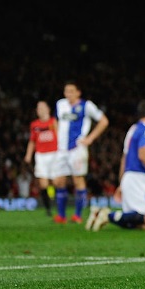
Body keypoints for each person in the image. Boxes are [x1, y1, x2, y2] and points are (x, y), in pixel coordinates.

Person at [86, 100, 145, 232]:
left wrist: (122, 183)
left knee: (139, 225)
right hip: (139, 177)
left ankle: (100, 214)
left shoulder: (133, 129)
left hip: (128, 176)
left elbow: (124, 158)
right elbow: (143, 155)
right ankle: (107, 215)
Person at [52, 81, 109, 224]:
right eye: (66, 91)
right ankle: (61, 215)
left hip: (77, 148)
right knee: (58, 181)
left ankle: (77, 215)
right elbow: (55, 121)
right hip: (61, 148)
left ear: (78, 92)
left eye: (71, 91)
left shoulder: (86, 106)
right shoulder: (60, 104)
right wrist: (57, 134)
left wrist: (90, 138)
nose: (68, 94)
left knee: (78, 179)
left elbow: (103, 121)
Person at [24, 100, 58, 216]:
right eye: (38, 108)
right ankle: (48, 209)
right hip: (41, 156)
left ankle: (57, 204)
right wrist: (28, 155)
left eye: (42, 107)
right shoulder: (34, 125)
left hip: (54, 154)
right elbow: (32, 141)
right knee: (43, 183)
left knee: (55, 181)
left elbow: (59, 136)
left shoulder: (54, 122)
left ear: (48, 109)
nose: (40, 110)